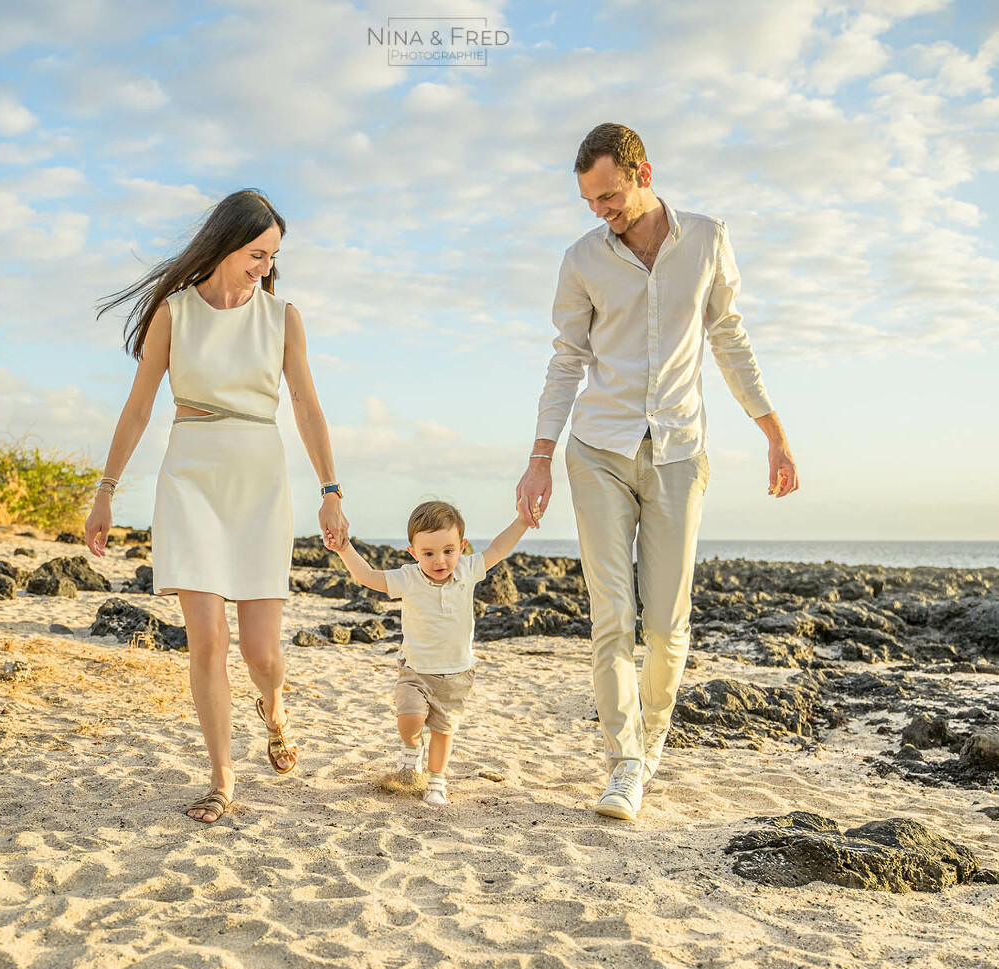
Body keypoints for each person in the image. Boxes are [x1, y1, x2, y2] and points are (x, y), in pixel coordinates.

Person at [515, 124, 800, 822]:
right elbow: (565, 360)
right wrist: (541, 456)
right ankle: (624, 764)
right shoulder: (582, 258)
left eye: (609, 196)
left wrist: (775, 435)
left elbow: (729, 337)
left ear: (644, 172)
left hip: (678, 452)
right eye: (589, 201)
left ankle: (652, 741)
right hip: (598, 450)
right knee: (612, 616)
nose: (600, 212)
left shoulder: (706, 238)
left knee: (668, 625)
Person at [88, 189, 348, 825]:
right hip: (190, 478)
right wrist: (106, 489)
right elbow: (139, 406)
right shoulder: (174, 314)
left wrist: (331, 491)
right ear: (227, 241)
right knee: (207, 641)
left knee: (261, 654)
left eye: (273, 256)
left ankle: (275, 707)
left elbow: (309, 409)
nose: (265, 265)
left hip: (260, 480)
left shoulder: (283, 318)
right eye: (258, 252)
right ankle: (222, 779)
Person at [327, 502, 529, 806]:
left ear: (461, 546)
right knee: (410, 718)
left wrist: (523, 521)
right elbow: (369, 576)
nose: (440, 560)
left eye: (448, 551)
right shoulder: (408, 578)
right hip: (416, 670)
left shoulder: (468, 569)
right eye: (429, 553)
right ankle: (411, 748)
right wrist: (344, 549)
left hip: (457, 674)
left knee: (443, 732)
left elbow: (499, 548)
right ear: (413, 552)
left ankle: (436, 780)